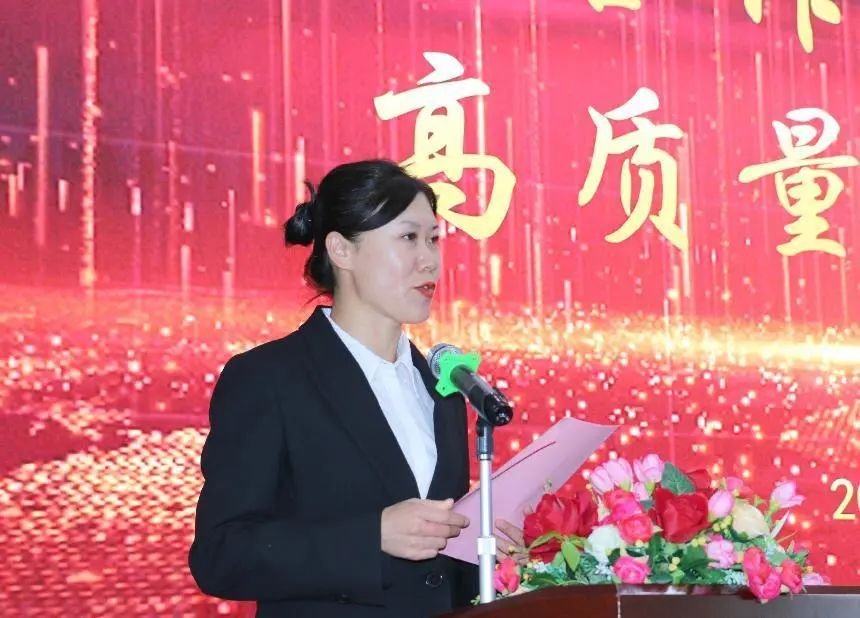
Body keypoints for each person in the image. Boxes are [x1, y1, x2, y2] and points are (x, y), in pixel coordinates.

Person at [189, 160, 523, 617]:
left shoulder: (441, 388)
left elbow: (437, 570)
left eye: (433, 238)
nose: (430, 259)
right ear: (341, 250)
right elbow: (222, 555)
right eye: (408, 238)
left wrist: (486, 551)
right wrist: (372, 537)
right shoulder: (269, 377)